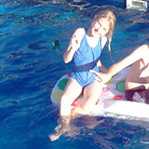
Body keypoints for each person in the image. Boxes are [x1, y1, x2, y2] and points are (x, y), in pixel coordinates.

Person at [49, 9, 116, 141]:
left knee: (88, 105)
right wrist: (73, 49)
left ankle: (68, 119)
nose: (99, 30)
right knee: (64, 100)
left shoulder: (102, 40)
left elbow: (97, 61)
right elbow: (66, 59)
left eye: (104, 29)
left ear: (107, 32)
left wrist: (108, 73)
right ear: (94, 18)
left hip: (93, 78)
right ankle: (64, 127)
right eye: (99, 24)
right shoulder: (80, 33)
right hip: (77, 77)